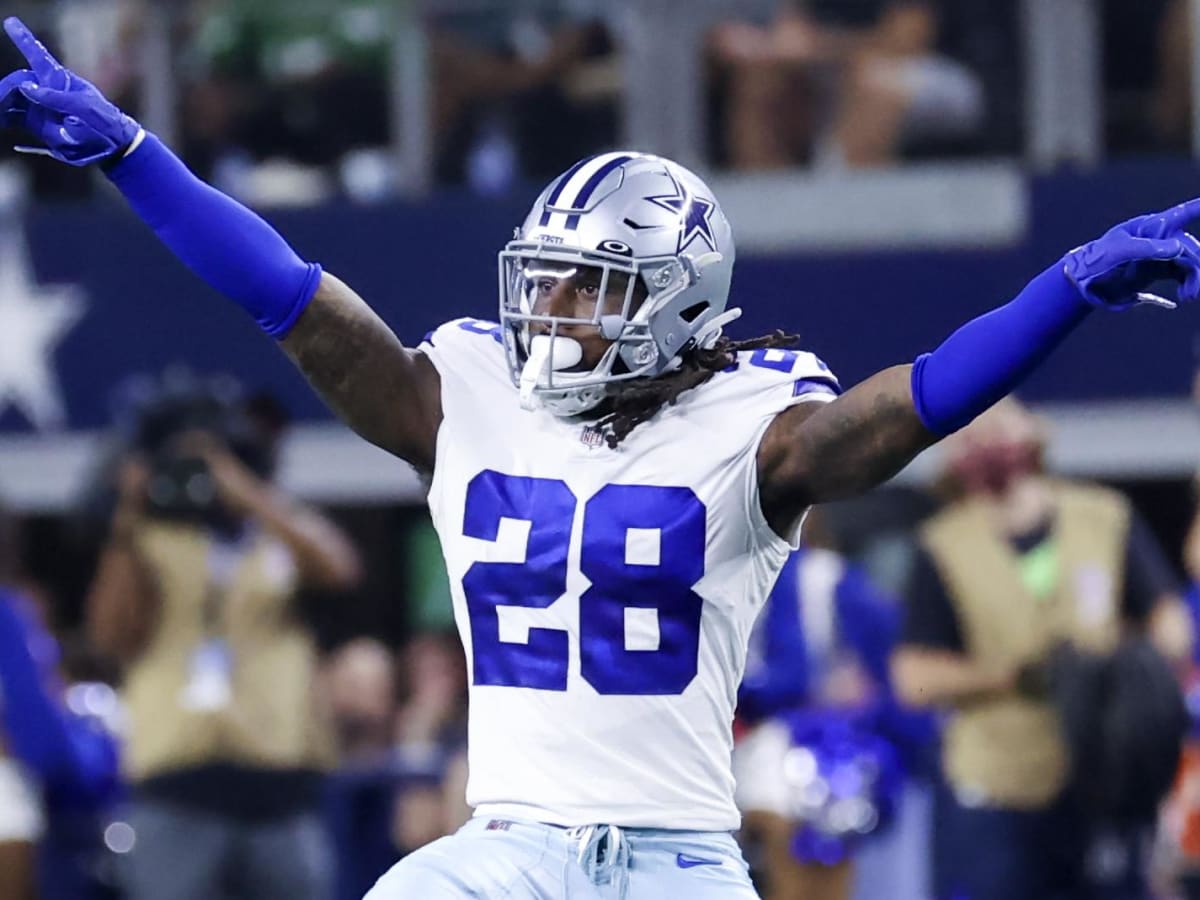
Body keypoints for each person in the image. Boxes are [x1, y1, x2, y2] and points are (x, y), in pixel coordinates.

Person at [2, 15, 1200, 898]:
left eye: (592, 286)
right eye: (547, 280)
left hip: (679, 857)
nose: (553, 311)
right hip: (502, 851)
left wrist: (1063, 292)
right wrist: (132, 160)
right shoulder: (461, 391)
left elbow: (912, 404)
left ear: (679, 305)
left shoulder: (756, 425)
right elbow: (288, 295)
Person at [891, 398, 1191, 900]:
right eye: (975, 432)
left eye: (1002, 426)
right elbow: (912, 677)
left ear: (1034, 435)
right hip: (997, 785)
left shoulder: (1102, 516)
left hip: (1100, 776)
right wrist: (1007, 676)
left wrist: (1117, 663)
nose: (992, 441)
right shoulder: (943, 543)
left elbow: (1172, 627)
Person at [83, 380, 363, 900]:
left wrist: (246, 491)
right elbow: (109, 635)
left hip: (281, 794)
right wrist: (129, 513)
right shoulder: (149, 540)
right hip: (174, 793)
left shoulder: (274, 533)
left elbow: (341, 569)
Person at [734, 528, 922, 900]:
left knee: (811, 867)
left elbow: (891, 682)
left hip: (808, 760)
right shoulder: (702, 570)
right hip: (709, 753)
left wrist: (862, 700)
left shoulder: (826, 579)